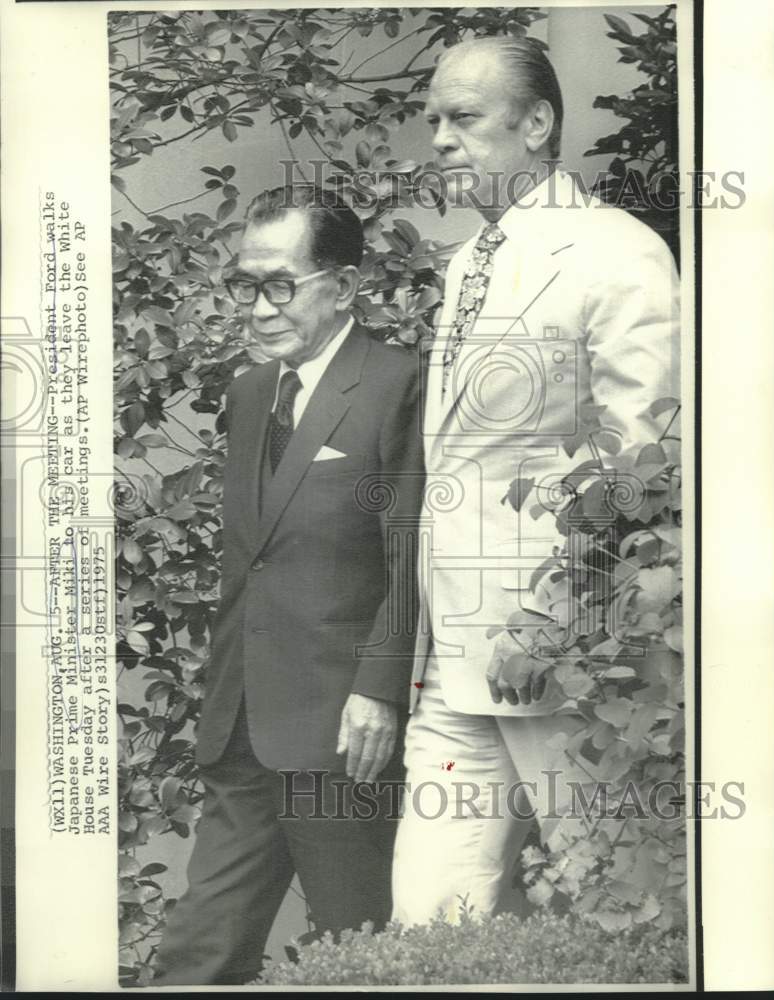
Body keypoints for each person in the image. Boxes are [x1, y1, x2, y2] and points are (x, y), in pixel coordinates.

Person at [391, 36, 680, 925]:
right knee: (427, 928)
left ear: (539, 123)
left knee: (624, 913)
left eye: (464, 118)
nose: (438, 137)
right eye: (433, 118)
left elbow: (649, 463)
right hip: (451, 659)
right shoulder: (462, 264)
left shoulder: (616, 254)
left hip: (566, 662)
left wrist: (569, 609)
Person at [155, 186, 423, 984]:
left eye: (281, 285)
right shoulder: (249, 393)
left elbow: (411, 554)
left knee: (359, 953)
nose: (260, 308)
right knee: (198, 952)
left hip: (343, 736)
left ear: (341, 287)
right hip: (242, 727)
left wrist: (379, 689)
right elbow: (253, 561)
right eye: (246, 286)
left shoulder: (397, 385)